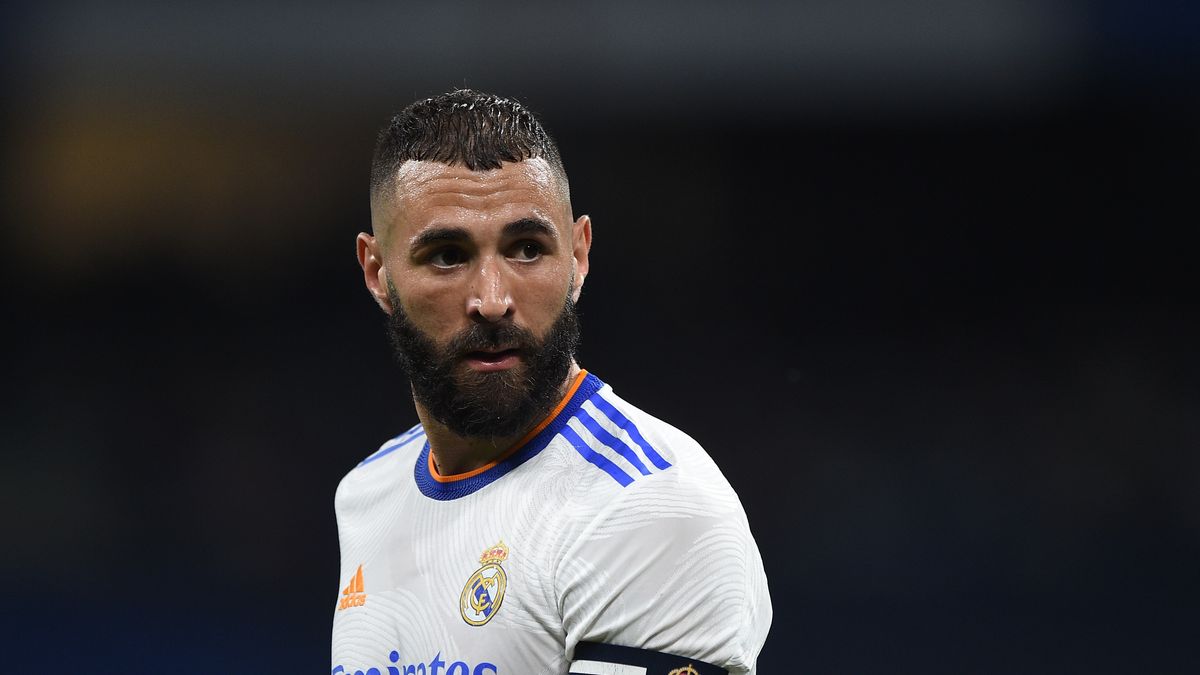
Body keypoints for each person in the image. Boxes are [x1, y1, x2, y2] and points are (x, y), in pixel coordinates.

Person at [333, 89, 771, 675]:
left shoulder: (649, 507)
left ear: (579, 257)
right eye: (445, 256)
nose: (492, 300)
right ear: (376, 272)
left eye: (528, 249)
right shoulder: (367, 494)